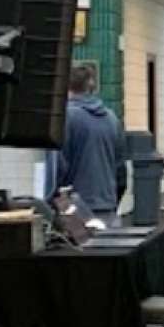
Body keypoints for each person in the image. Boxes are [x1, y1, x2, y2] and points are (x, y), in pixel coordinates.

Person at [55, 63, 127, 222]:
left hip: (76, 211)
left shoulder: (64, 118)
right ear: (92, 87)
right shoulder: (111, 118)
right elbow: (121, 169)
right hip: (108, 208)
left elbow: (59, 168)